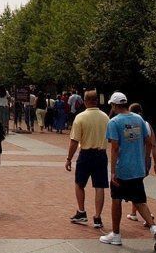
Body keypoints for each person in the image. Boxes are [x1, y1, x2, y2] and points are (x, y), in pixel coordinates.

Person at [99, 92, 156, 250]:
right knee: (139, 200)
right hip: (137, 167)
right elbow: (148, 141)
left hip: (122, 168)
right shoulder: (139, 119)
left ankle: (116, 234)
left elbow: (114, 147)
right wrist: (146, 160)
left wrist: (113, 171)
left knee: (116, 200)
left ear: (114, 106)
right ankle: (153, 227)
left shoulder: (114, 122)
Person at [66, 89, 109, 230]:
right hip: (101, 154)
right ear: (97, 100)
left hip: (85, 154)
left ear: (85, 101)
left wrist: (69, 158)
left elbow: (74, 141)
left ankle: (81, 211)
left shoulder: (80, 117)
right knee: (100, 186)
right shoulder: (105, 117)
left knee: (79, 183)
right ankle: (97, 217)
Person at [125, 103, 156, 225]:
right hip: (146, 160)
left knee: (136, 188)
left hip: (136, 160)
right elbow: (153, 144)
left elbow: (130, 144)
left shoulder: (133, 125)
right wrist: (155, 161)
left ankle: (147, 215)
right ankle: (134, 213)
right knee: (137, 185)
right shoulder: (147, 125)